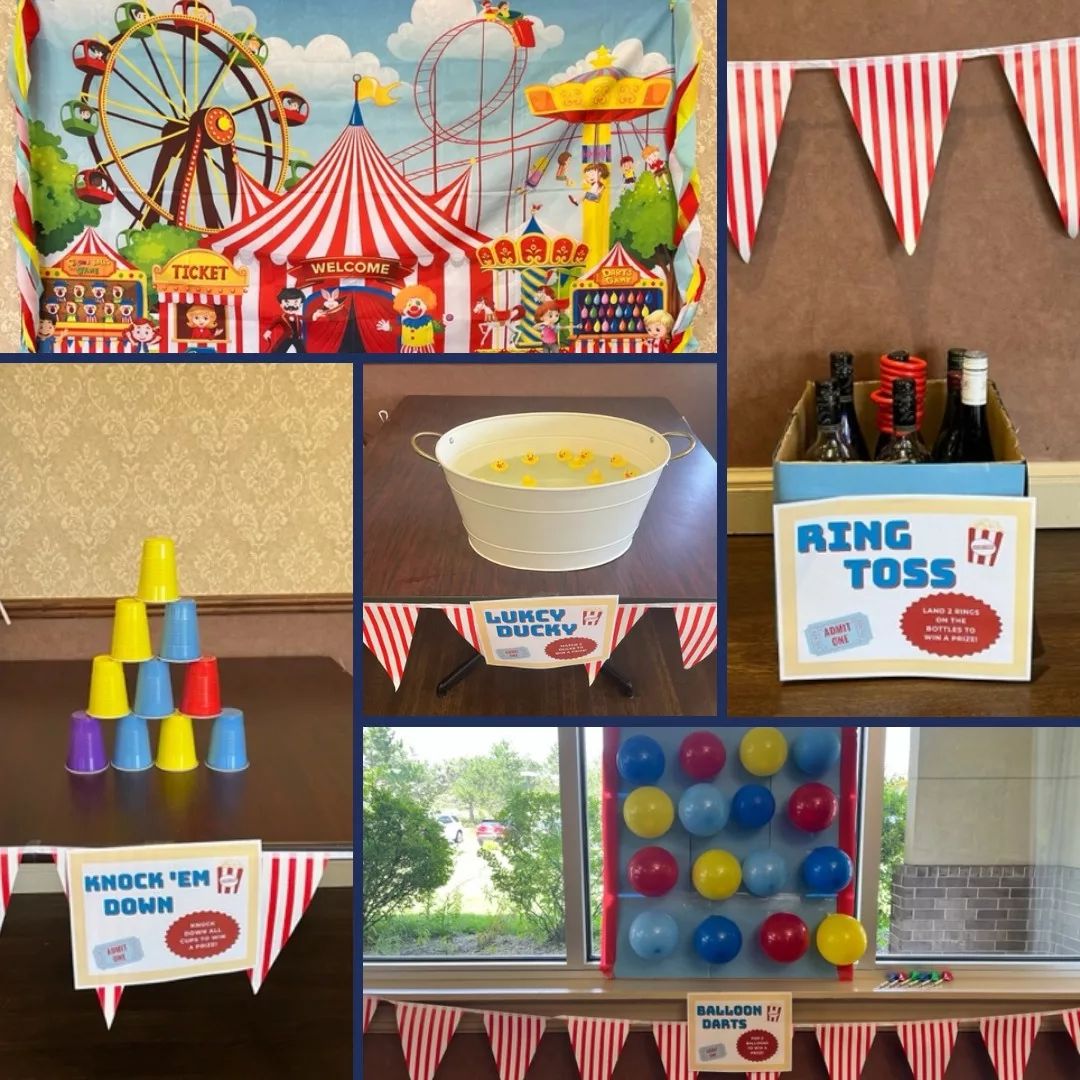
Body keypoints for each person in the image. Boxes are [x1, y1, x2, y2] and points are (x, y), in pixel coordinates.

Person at [378, 284, 445, 353]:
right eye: (409, 304)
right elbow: (399, 331)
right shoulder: (405, 323)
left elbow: (439, 329)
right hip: (407, 349)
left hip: (425, 349)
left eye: (418, 303)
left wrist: (444, 322)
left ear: (426, 304)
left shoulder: (429, 321)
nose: (413, 307)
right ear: (402, 308)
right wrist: (389, 328)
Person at [263, 287, 307, 352]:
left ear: (300, 305)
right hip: (287, 337)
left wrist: (316, 314)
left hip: (297, 337)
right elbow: (274, 323)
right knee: (278, 350)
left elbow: (308, 318)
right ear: (281, 305)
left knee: (302, 351)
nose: (291, 306)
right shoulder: (281, 317)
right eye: (287, 303)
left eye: (295, 303)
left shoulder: (297, 317)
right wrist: (268, 331)